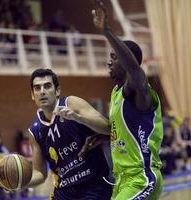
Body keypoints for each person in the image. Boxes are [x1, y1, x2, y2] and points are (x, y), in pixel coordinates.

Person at [90, 0, 164, 199]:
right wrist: (106, 137)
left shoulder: (139, 89)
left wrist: (106, 30)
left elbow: (135, 71)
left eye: (114, 57)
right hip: (122, 180)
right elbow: (128, 132)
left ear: (126, 60)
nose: (109, 61)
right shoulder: (116, 93)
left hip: (141, 177)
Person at [27, 68, 112, 199]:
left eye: (47, 86)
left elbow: (108, 128)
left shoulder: (71, 103)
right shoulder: (35, 131)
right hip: (64, 193)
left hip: (93, 187)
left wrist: (79, 118)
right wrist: (20, 182)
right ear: (32, 95)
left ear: (57, 91)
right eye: (37, 88)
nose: (42, 91)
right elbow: (40, 173)